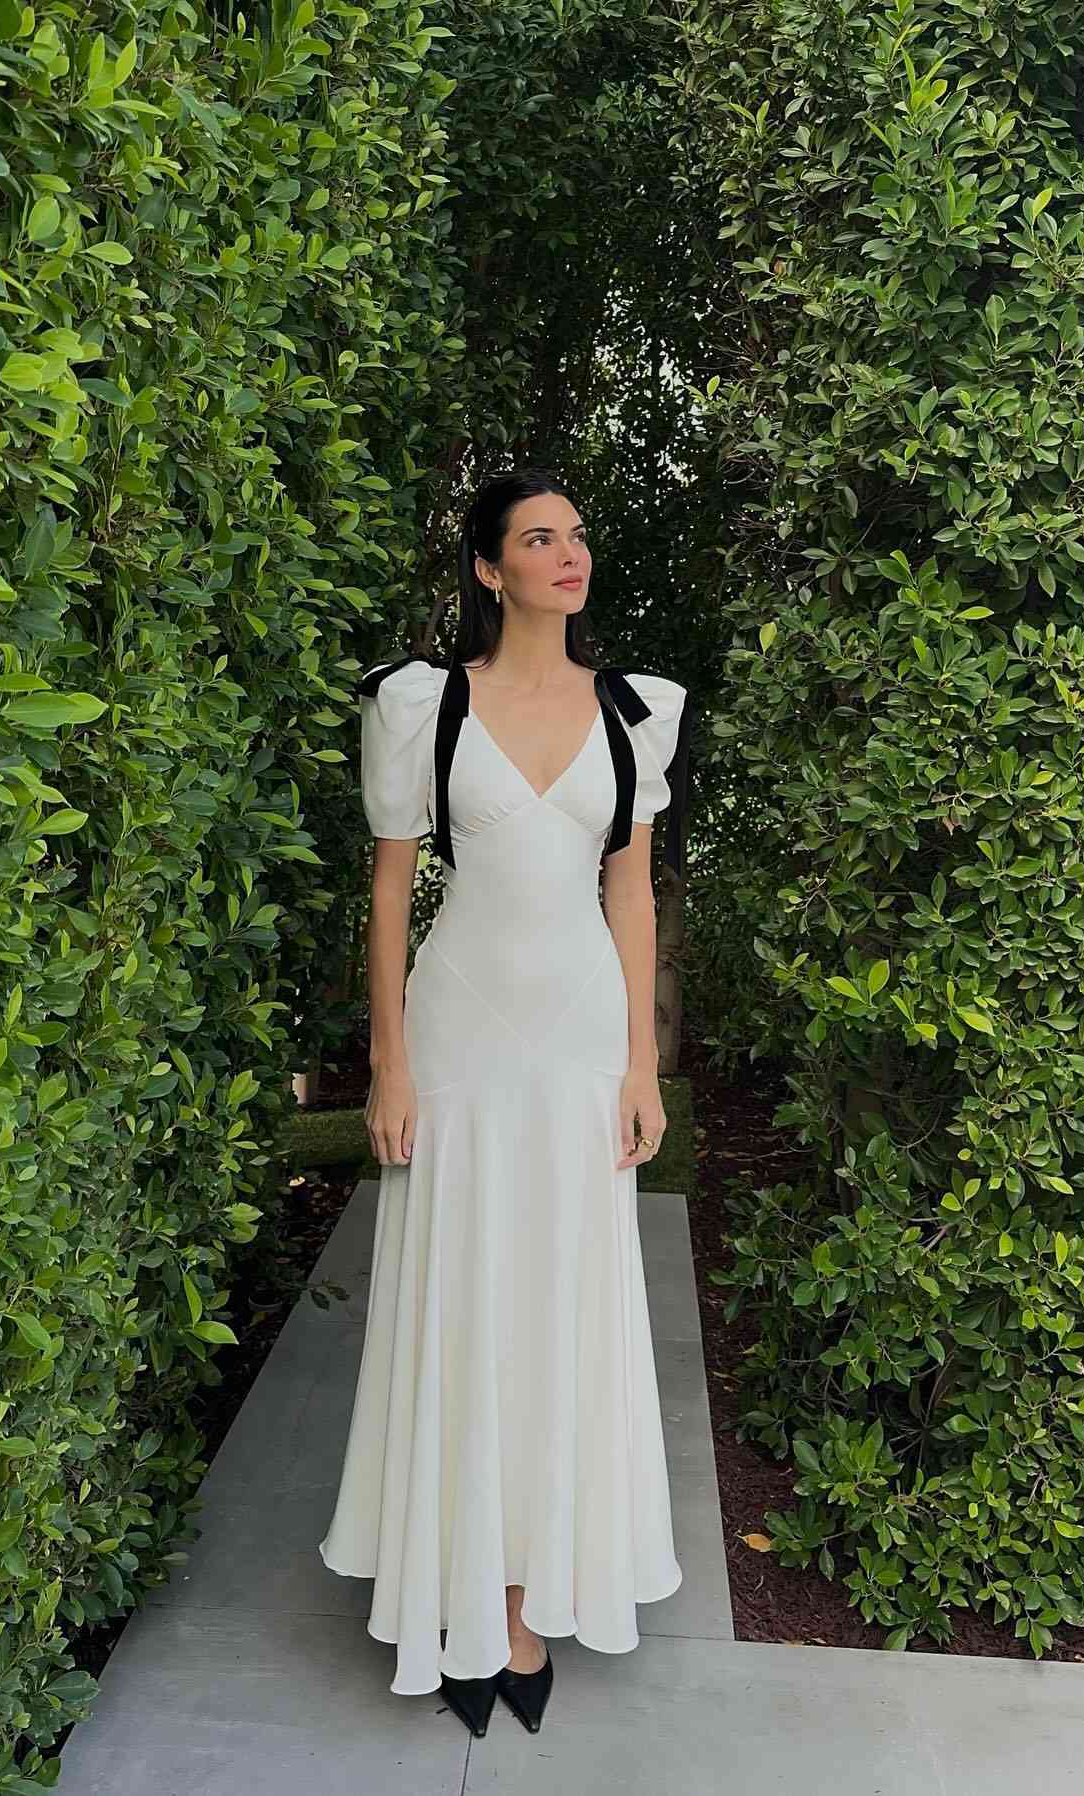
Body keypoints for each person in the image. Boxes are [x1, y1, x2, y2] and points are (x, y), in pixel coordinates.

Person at [317, 467, 694, 1738]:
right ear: (489, 567)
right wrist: (388, 1061)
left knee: (558, 1304)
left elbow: (630, 892)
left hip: (580, 1039)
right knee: (463, 1292)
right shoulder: (423, 705)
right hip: (460, 1034)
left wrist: (641, 1063)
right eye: (540, 537)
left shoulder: (636, 712)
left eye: (576, 534)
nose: (570, 553)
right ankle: (455, 1581)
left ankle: (524, 1598)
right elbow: (389, 888)